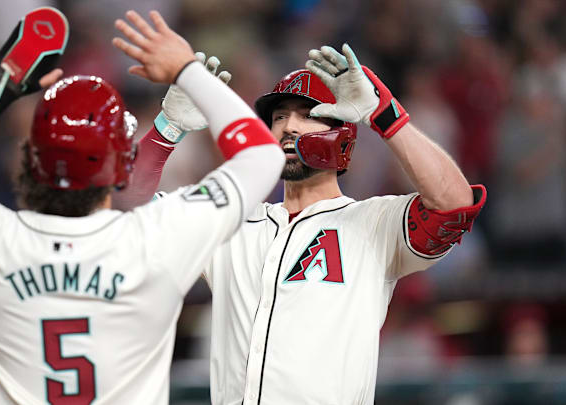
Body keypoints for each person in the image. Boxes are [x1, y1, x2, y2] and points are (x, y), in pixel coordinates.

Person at [0, 7, 284, 405]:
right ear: (121, 166)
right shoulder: (154, 241)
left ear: (30, 160)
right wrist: (187, 70)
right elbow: (262, 156)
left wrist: (1, 83)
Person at [117, 44, 487, 404]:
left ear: (342, 133)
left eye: (307, 114)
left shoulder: (374, 222)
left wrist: (384, 113)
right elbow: (129, 208)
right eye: (279, 117)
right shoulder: (233, 221)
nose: (288, 126)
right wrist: (167, 129)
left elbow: (454, 203)